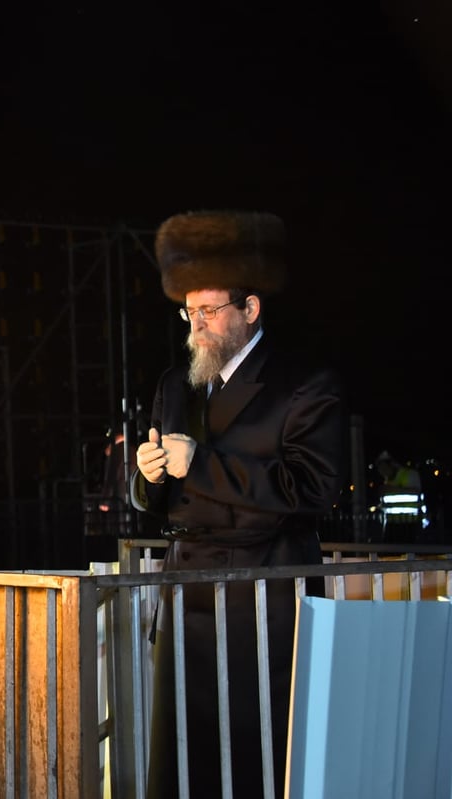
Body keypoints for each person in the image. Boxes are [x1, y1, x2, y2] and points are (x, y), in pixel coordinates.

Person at [131, 210, 347, 799]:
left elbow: (313, 489)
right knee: (181, 756)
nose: (196, 325)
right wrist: (148, 478)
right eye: (189, 312)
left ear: (250, 308)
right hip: (186, 598)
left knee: (260, 755)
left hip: (264, 601)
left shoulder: (304, 383)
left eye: (209, 311)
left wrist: (196, 463)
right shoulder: (176, 385)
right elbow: (156, 501)